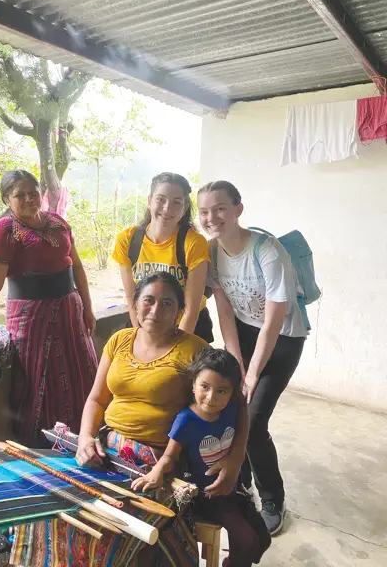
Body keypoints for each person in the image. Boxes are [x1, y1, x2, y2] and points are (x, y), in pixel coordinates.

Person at [73, 272, 248, 566]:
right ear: (135, 304)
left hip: (159, 460)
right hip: (109, 452)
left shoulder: (194, 349)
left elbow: (238, 404)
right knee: (76, 510)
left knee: (138, 530)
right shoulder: (118, 341)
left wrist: (235, 459)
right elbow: (96, 399)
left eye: (167, 304)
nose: (156, 311)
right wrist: (84, 438)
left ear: (180, 311)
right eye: (149, 301)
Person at [197, 180, 308, 535]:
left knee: (253, 419)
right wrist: (235, 360)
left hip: (284, 338)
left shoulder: (267, 250)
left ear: (238, 209)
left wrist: (252, 373)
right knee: (229, 410)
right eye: (204, 211)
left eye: (220, 209)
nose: (211, 217)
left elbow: (275, 320)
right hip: (244, 332)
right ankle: (238, 485)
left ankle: (273, 498)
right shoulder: (212, 252)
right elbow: (225, 311)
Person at [0, 169, 98, 447]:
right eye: (19, 195)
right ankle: (41, 445)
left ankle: (83, 438)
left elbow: (76, 267)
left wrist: (87, 307)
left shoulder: (58, 223)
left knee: (81, 371)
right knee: (37, 378)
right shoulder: (2, 233)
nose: (29, 199)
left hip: (69, 311)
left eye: (34, 192)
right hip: (31, 316)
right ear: (6, 200)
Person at [132, 348, 271, 567]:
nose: (211, 397)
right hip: (208, 497)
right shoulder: (185, 420)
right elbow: (169, 456)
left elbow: (241, 422)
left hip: (234, 490)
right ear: (193, 384)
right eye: (204, 387)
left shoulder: (231, 410)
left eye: (221, 391)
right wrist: (156, 472)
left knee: (263, 540)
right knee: (248, 541)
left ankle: (233, 560)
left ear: (232, 392)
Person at [112, 172, 214, 342]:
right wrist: (143, 338)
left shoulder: (194, 243)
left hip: (187, 328)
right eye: (161, 199)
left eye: (176, 202)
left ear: (185, 206)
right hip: (147, 323)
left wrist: (174, 353)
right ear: (149, 201)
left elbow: (191, 308)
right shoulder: (128, 240)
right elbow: (132, 299)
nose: (167, 208)